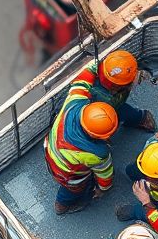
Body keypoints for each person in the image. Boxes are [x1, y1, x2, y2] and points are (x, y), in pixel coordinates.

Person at [44, 76, 118, 214]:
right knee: (73, 189)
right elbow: (105, 174)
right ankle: (61, 206)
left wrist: (92, 66)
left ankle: (63, 202)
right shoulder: (97, 153)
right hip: (67, 174)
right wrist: (103, 189)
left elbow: (80, 82)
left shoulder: (74, 103)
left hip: (50, 152)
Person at [72, 49, 155, 131]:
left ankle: (139, 117)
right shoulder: (106, 99)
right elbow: (117, 103)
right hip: (97, 111)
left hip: (93, 102)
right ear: (118, 85)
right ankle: (139, 118)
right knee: (111, 117)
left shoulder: (100, 64)